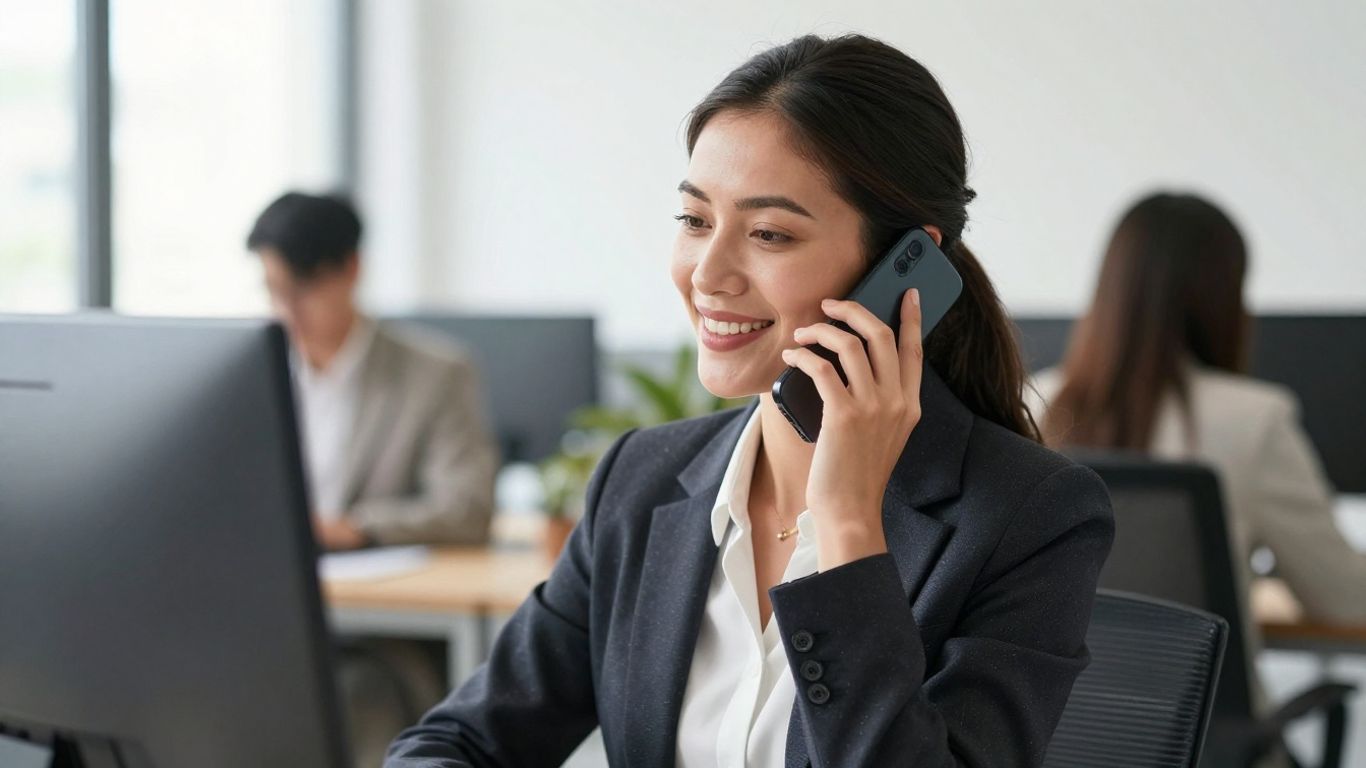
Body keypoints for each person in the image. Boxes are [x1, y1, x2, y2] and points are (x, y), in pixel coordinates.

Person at [386, 35, 1114, 767]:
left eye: (768, 233)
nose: (709, 272)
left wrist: (847, 527)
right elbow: (459, 741)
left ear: (905, 268)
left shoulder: (1030, 517)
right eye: (696, 220)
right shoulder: (641, 482)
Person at [1030, 192, 1366, 624]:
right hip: (1205, 694)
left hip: (1059, 692)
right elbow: (1346, 602)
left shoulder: (1028, 405)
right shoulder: (1256, 419)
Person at [247, 192, 499, 549]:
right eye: (274, 290)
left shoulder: (437, 373)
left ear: (351, 269)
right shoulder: (253, 376)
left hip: (380, 590)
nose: (287, 311)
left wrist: (352, 528)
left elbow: (465, 510)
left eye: (303, 289)